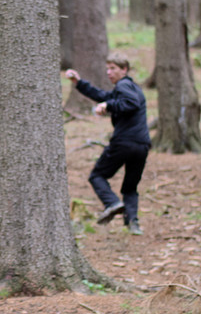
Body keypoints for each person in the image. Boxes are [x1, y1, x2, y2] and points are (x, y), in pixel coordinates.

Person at [64, 53, 150, 235]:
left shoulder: (124, 85)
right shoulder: (131, 87)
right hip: (141, 145)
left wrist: (108, 106)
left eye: (113, 68)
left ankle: (112, 203)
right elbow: (103, 95)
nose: (108, 72)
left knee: (97, 175)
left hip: (124, 142)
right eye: (108, 68)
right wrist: (79, 83)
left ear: (124, 70)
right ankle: (133, 223)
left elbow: (129, 103)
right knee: (130, 187)